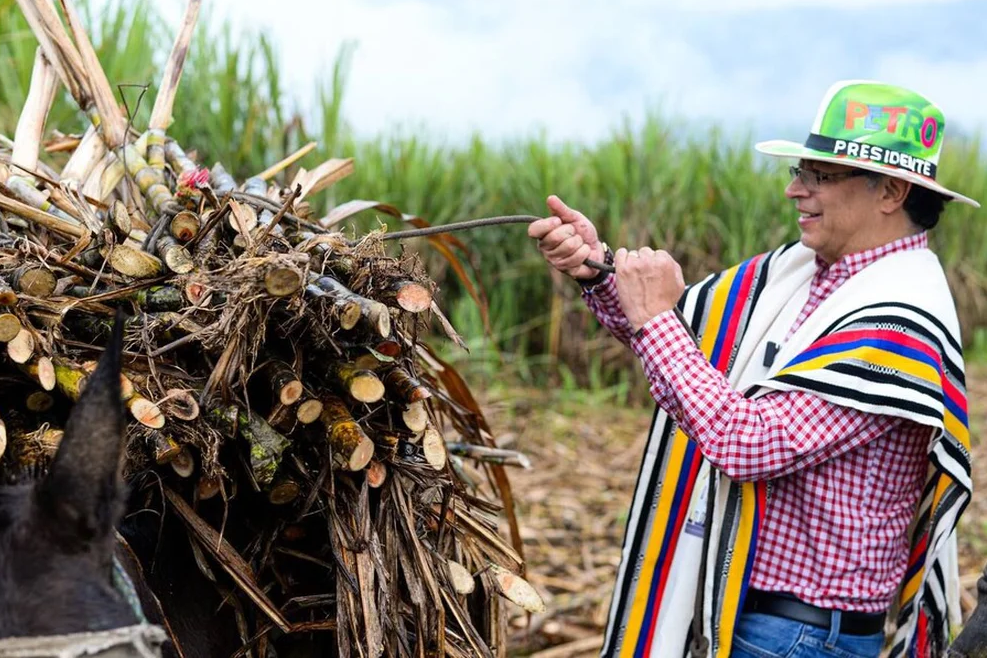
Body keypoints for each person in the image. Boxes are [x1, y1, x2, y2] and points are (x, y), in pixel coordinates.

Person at [528, 80, 979, 658]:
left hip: (803, 637)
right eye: (799, 170)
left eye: (818, 175)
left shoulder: (897, 322)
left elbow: (746, 443)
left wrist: (655, 316)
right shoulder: (811, 276)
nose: (795, 190)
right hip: (758, 617)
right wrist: (600, 273)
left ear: (890, 191)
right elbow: (696, 352)